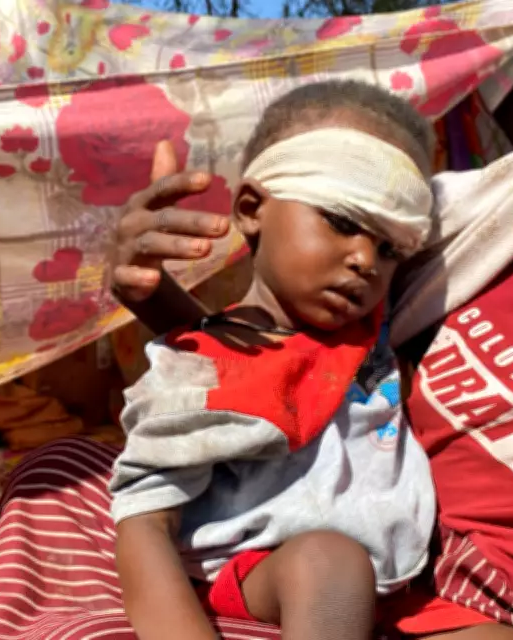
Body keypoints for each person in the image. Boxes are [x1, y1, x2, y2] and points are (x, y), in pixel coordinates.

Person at [0, 0, 513, 639]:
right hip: (315, 569)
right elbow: (280, 370)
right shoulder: (467, 239)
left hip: (469, 614)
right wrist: (156, 300)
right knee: (58, 474)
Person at [111, 81, 438, 640]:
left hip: (394, 587)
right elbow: (145, 517)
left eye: (390, 248)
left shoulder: (373, 333)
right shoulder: (203, 370)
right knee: (330, 565)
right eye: (341, 219)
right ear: (250, 209)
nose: (366, 259)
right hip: (262, 571)